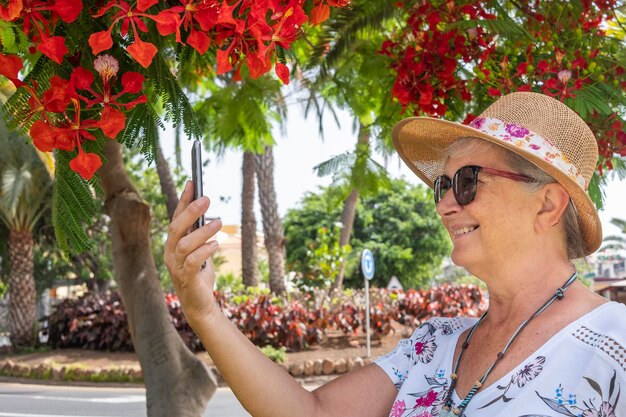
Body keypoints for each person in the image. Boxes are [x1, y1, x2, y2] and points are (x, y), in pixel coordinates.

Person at [164, 92, 626, 417]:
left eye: (466, 182)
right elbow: (311, 412)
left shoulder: (615, 345)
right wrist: (204, 311)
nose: (445, 204)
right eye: (443, 186)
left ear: (547, 204)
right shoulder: (435, 343)